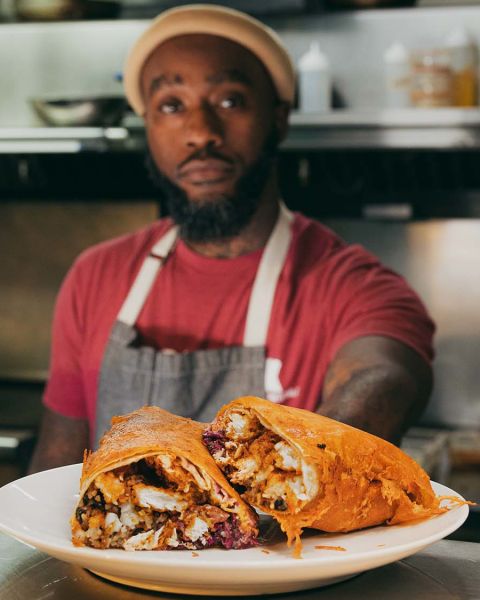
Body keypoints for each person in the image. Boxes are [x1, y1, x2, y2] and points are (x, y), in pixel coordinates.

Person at [29, 4, 434, 473]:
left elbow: (383, 377)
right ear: (149, 128)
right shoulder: (96, 276)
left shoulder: (350, 285)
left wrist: (303, 464)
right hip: (113, 548)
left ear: (278, 118)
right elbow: (53, 471)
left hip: (283, 547)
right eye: (171, 105)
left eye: (230, 100)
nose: (201, 133)